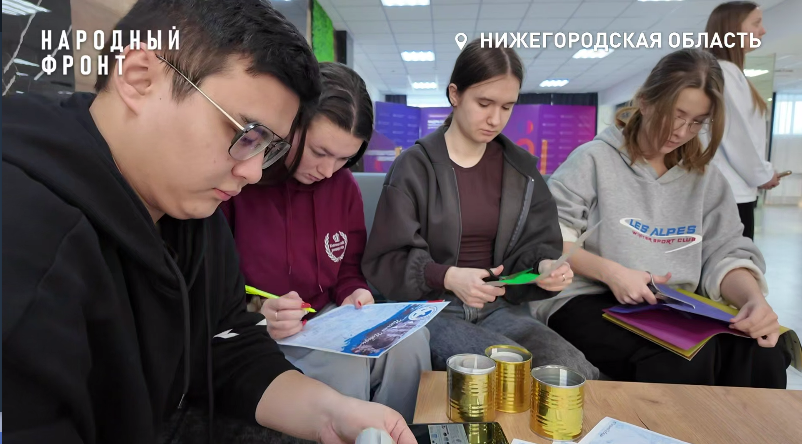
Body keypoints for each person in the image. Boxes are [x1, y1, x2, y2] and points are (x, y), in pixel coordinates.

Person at [2, 2, 416, 444]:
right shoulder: (27, 246)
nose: (253, 172)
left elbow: (228, 346)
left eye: (269, 147)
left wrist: (331, 414)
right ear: (140, 77)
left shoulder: (191, 212)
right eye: (246, 134)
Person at [530, 48, 790, 388]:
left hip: (671, 305)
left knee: (764, 352)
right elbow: (551, 239)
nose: (681, 131)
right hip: (586, 298)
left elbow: (726, 252)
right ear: (646, 101)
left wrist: (754, 301)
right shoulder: (592, 160)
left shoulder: (707, 179)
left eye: (697, 121)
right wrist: (615, 273)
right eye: (676, 115)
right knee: (678, 359)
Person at [361, 39, 599, 380]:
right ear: (455, 95)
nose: (495, 119)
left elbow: (536, 246)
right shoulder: (414, 167)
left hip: (500, 307)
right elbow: (387, 258)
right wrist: (447, 276)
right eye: (484, 103)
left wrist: (544, 267)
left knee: (571, 368)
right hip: (433, 310)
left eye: (507, 107)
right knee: (506, 373)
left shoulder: (521, 170)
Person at [221, 62, 431, 423]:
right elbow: (212, 289)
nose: (328, 170)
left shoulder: (343, 186)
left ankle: (401, 433)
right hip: (263, 329)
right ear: (291, 124)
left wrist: (354, 292)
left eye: (344, 158)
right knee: (344, 367)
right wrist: (257, 312)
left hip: (326, 319)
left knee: (411, 341)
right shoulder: (240, 181)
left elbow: (348, 267)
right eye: (320, 152)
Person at [702, 1, 783, 239]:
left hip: (732, 190)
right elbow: (737, 137)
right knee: (734, 258)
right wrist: (763, 174)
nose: (763, 31)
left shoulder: (727, 71)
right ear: (732, 29)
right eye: (756, 23)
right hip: (730, 193)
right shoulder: (725, 72)